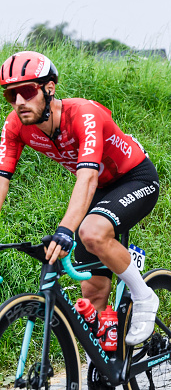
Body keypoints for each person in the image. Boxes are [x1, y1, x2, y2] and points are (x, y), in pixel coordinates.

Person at [0, 51, 159, 345]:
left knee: (90, 232)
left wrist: (65, 230)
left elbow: (86, 177)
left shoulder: (84, 114)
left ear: (49, 89)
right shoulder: (15, 126)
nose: (19, 102)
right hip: (99, 189)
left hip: (135, 178)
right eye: (11, 95)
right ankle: (102, 366)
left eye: (26, 91)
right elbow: (1, 181)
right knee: (93, 295)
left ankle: (144, 296)